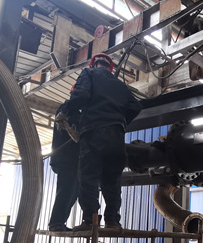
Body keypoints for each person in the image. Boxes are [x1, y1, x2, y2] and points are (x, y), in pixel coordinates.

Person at [60, 53, 142, 231]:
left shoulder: (88, 73)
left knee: (88, 177)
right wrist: (120, 122)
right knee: (112, 180)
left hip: (93, 133)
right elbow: (136, 106)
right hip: (117, 137)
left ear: (94, 64)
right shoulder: (120, 85)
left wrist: (65, 111)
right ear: (110, 68)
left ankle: (91, 221)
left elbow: (81, 95)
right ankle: (112, 222)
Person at [48, 101, 80, 232]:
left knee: (74, 192)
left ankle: (59, 222)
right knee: (66, 189)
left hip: (73, 159)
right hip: (66, 157)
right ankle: (56, 222)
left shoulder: (73, 110)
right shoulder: (67, 109)